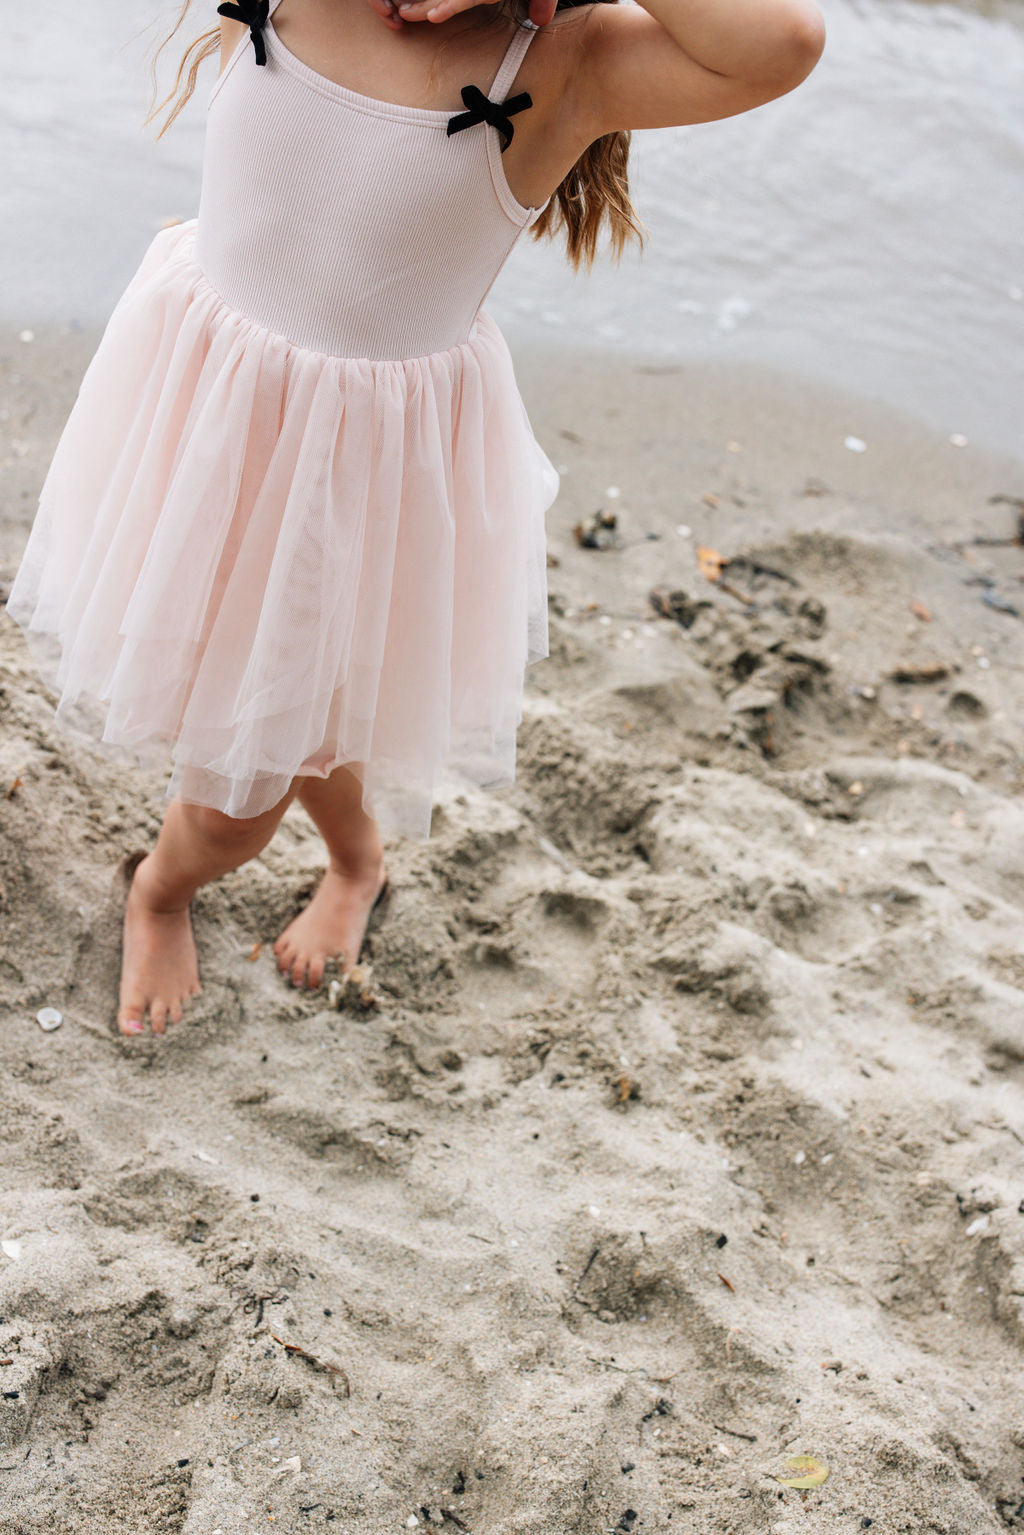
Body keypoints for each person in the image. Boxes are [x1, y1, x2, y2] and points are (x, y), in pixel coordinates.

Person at [6, 0, 824, 1037]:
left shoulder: (566, 63)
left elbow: (785, 44)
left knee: (238, 788)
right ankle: (357, 859)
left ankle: (163, 886)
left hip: (357, 480)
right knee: (299, 699)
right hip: (204, 416)